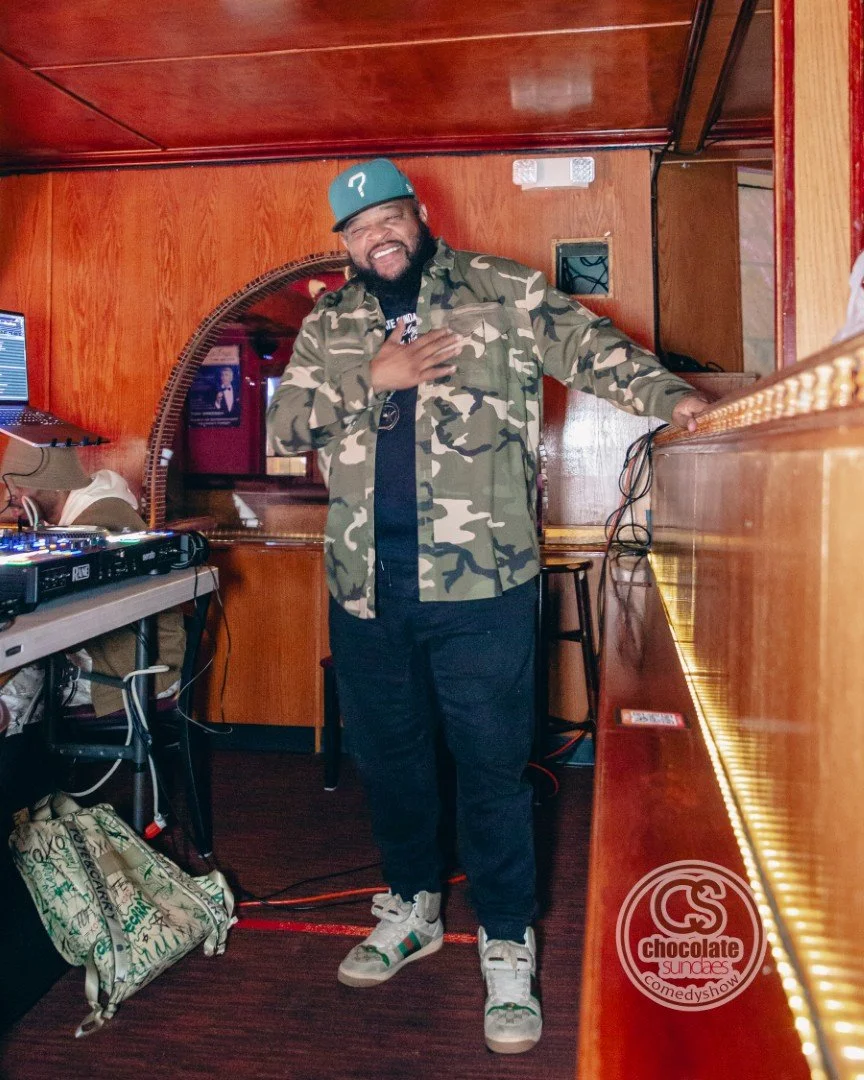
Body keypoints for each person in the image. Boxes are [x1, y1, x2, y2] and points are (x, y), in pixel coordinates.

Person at [266, 158, 710, 1054]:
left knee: (493, 769)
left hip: (483, 587)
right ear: (345, 243)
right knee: (390, 764)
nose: (377, 238)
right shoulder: (330, 321)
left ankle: (507, 938)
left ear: (419, 213)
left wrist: (683, 402)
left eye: (389, 218)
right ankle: (414, 907)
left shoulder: (501, 290)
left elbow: (595, 353)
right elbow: (286, 428)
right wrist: (375, 377)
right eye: (358, 229)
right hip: (365, 589)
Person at [0, 441, 185, 731]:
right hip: (126, 658)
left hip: (133, 671)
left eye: (17, 488)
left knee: (6, 703)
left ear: (51, 485)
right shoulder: (97, 508)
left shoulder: (99, 523)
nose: (10, 499)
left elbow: (65, 620)